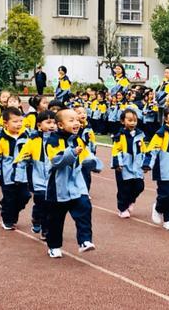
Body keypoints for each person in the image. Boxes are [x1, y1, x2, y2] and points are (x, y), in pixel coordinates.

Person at [45, 108, 95, 258]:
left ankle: (84, 240)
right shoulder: (53, 141)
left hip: (76, 184)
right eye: (71, 120)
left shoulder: (78, 139)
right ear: (60, 125)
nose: (76, 123)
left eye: (77, 120)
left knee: (85, 208)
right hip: (58, 186)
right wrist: (72, 153)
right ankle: (53, 246)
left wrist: (93, 163)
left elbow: (86, 155)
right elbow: (56, 161)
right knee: (56, 219)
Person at [15, 110, 57, 240]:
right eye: (48, 122)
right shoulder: (33, 141)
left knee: (51, 206)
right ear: (39, 125)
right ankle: (36, 218)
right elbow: (22, 159)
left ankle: (46, 229)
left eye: (54, 123)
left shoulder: (59, 140)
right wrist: (18, 176)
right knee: (41, 204)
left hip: (54, 181)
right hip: (38, 180)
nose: (52, 125)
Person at [0, 107, 31, 230]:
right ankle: (7, 219)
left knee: (25, 196)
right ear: (5, 123)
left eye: (20, 121)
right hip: (7, 175)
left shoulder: (27, 136)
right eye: (15, 121)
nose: (19, 124)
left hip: (23, 175)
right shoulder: (1, 139)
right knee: (10, 198)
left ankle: (10, 210)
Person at [111, 109, 146, 218]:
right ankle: (122, 208)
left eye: (135, 120)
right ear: (123, 121)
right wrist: (118, 164)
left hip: (136, 165)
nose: (133, 123)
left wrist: (145, 164)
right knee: (124, 189)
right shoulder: (119, 136)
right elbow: (116, 150)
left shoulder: (140, 135)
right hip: (124, 166)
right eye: (130, 120)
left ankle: (131, 200)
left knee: (139, 186)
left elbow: (143, 150)